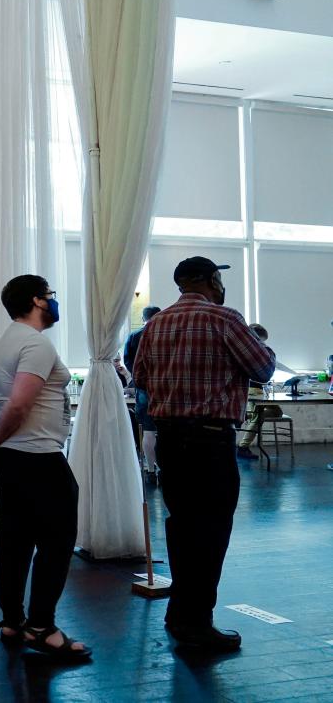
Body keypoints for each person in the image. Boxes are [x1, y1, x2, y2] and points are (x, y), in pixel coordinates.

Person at [133, 257, 275, 652]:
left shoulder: (155, 324)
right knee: (210, 533)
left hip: (170, 440)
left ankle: (180, 614)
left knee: (181, 528)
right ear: (212, 280)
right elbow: (263, 369)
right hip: (211, 441)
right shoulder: (227, 319)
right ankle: (197, 622)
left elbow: (140, 377)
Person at [0, 275, 91, 662]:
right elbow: (19, 403)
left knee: (16, 537)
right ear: (37, 301)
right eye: (51, 296)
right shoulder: (35, 344)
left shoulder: (7, 340)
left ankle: (12, 622)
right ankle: (42, 628)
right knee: (58, 540)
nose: (55, 303)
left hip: (15, 454)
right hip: (36, 455)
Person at [235, 324, 290, 459]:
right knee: (258, 415)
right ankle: (243, 446)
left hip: (258, 391)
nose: (262, 343)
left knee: (276, 412)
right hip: (252, 391)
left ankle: (244, 416)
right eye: (262, 340)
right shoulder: (250, 351)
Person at [125, 306, 162, 482]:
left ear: (143, 318)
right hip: (167, 388)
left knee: (148, 431)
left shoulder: (134, 336)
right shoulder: (167, 332)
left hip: (145, 391)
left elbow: (128, 361)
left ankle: (150, 470)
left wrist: (139, 381)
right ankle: (165, 469)